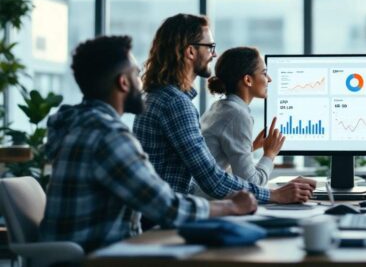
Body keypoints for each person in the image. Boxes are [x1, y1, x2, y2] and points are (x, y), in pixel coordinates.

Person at [39, 36, 257, 252]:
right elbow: (166, 207)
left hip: (82, 253)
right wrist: (231, 206)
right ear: (123, 82)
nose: (142, 81)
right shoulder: (108, 136)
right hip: (97, 258)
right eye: (136, 73)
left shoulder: (81, 124)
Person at [133, 14, 314, 206]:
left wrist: (250, 148)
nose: (215, 54)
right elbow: (212, 180)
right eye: (210, 47)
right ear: (190, 52)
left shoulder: (158, 96)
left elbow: (202, 162)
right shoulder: (176, 104)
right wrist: (274, 194)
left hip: (159, 208)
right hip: (164, 216)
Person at [201, 47, 284, 186]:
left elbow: (218, 154)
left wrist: (251, 147)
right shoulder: (237, 114)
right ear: (248, 80)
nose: (269, 79)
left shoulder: (219, 107)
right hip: (212, 202)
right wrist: (270, 154)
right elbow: (251, 184)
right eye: (264, 73)